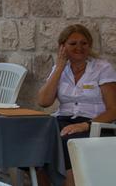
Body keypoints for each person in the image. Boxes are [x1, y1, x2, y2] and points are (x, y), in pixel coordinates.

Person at [37, 24, 116, 184]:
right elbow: (44, 101)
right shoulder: (59, 68)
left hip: (94, 124)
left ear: (90, 45)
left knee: (67, 140)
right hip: (63, 120)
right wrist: (59, 67)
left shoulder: (102, 68)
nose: (79, 47)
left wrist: (85, 125)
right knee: (37, 139)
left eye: (84, 43)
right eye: (73, 44)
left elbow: (113, 110)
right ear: (62, 47)